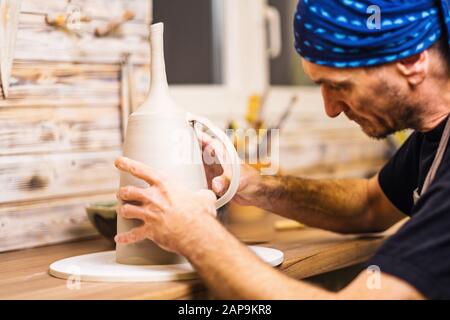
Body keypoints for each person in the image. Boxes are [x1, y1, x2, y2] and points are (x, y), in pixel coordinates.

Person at [114, 0, 450, 299]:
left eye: (339, 86)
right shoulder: (435, 133)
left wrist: (195, 233)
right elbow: (369, 204)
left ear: (412, 60)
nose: (330, 109)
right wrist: (254, 186)